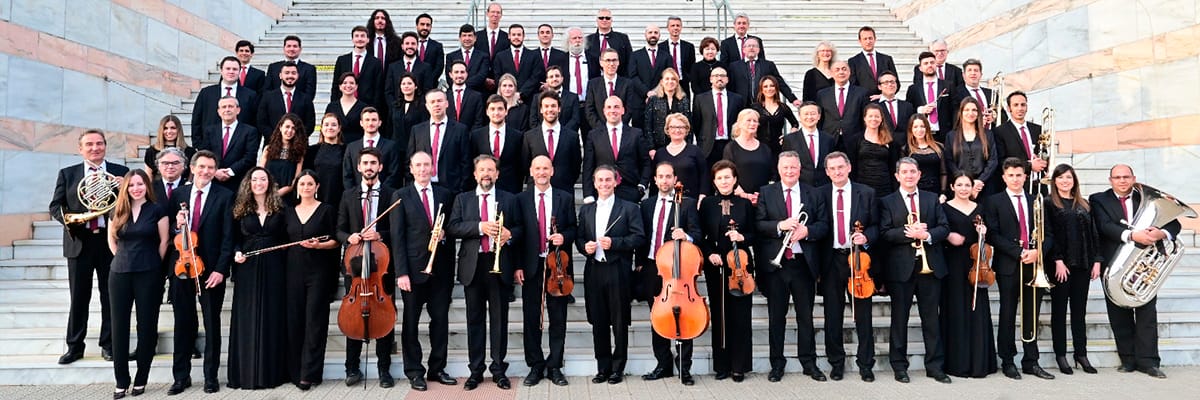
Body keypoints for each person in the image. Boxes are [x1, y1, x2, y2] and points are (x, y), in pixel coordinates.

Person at [1090, 164, 1179, 379]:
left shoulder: (1146, 198)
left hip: (1143, 264)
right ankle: (1128, 359)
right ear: (1110, 180)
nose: (1122, 180)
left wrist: (1161, 233)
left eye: (1126, 177)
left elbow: (1174, 224)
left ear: (1134, 178)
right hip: (1114, 262)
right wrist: (1131, 236)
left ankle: (1149, 362)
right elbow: (1104, 226)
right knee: (1118, 312)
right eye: (1117, 177)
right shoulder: (1098, 199)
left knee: (1147, 312)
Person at [49, 129, 130, 365]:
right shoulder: (68, 174)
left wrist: (124, 186)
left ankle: (109, 345)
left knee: (111, 296)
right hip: (79, 242)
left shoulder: (120, 172)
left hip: (110, 241)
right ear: (80, 148)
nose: (95, 148)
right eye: (89, 144)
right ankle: (75, 347)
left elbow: (132, 203)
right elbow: (56, 206)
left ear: (105, 146)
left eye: (99, 144)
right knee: (79, 297)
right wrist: (73, 219)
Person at [446, 155, 524, 391]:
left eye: (491, 170)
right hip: (474, 265)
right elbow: (452, 227)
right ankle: (476, 371)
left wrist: (510, 235)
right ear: (475, 174)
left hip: (499, 264)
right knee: (475, 320)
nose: (486, 174)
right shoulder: (463, 199)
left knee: (500, 321)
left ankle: (499, 370)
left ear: (497, 174)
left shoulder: (509, 199)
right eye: (482, 170)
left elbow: (521, 228)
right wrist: (480, 227)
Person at [754, 151, 830, 382]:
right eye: (785, 167)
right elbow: (758, 224)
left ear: (800, 169)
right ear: (779, 169)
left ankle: (809, 363)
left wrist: (807, 231)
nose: (789, 171)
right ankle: (777, 364)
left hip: (802, 265)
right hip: (776, 266)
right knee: (776, 317)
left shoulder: (813, 193)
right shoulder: (767, 192)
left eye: (793, 168)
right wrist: (780, 225)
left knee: (805, 317)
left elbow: (824, 225)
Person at [167, 150, 235, 395]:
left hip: (210, 270)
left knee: (211, 324)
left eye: (210, 167)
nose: (206, 171)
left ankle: (210, 377)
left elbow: (229, 237)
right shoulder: (178, 195)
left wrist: (220, 269)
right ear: (192, 168)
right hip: (182, 268)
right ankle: (181, 377)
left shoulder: (225, 196)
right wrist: (177, 224)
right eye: (202, 167)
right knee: (182, 323)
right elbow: (168, 233)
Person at [390, 152, 459, 391]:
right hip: (412, 270)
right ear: (410, 168)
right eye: (418, 165)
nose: (422, 169)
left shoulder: (445, 194)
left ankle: (437, 368)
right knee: (411, 323)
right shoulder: (400, 196)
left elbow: (452, 225)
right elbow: (397, 238)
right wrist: (401, 273)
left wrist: (445, 234)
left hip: (440, 270)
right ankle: (414, 371)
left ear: (433, 167)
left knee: (440, 321)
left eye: (426, 165)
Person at [879, 157, 951, 384]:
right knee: (899, 320)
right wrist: (909, 232)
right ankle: (899, 366)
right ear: (897, 176)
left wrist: (927, 236)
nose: (909, 176)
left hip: (930, 268)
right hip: (901, 269)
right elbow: (885, 233)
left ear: (919, 175)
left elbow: (944, 228)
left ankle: (935, 366)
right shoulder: (887, 202)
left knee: (931, 319)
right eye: (905, 172)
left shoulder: (932, 199)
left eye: (913, 172)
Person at [984, 157, 1055, 380]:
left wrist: (1037, 252)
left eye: (1019, 175)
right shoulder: (994, 201)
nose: (1015, 179)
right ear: (1004, 177)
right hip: (1008, 264)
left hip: (1035, 264)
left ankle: (1031, 361)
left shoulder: (1038, 200)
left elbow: (1049, 234)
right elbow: (993, 234)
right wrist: (1018, 252)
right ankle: (1007, 360)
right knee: (1007, 314)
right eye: (1011, 175)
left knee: (1031, 315)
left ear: (1026, 176)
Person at [577, 165, 646, 385]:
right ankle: (603, 367)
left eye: (609, 180)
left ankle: (618, 368)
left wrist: (615, 243)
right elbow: (579, 238)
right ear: (594, 183)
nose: (604, 184)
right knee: (598, 320)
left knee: (618, 321)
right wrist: (584, 247)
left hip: (618, 270)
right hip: (594, 270)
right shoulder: (586, 209)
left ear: (616, 181)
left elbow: (639, 238)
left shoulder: (629, 208)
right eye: (600, 180)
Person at [636, 163, 702, 385]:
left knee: (686, 316)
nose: (664, 180)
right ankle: (663, 364)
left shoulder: (687, 204)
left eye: (668, 176)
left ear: (675, 179)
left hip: (678, 270)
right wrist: (639, 263)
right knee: (658, 317)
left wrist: (686, 236)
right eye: (660, 177)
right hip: (652, 266)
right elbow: (641, 237)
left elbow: (698, 234)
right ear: (654, 180)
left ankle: (685, 367)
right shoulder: (646, 205)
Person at [337, 148, 396, 388]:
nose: (369, 167)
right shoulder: (348, 195)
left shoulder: (391, 194)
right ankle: (352, 368)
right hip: (355, 261)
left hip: (382, 265)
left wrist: (380, 233)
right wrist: (348, 237)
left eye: (373, 162)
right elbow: (338, 228)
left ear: (380, 167)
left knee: (384, 314)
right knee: (354, 313)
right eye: (365, 163)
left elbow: (399, 230)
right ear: (358, 167)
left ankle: (384, 370)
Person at [817, 152, 879, 382]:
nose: (837, 172)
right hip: (832, 260)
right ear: (826, 172)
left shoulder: (867, 193)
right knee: (833, 315)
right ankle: (836, 363)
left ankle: (866, 364)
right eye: (832, 169)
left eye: (841, 167)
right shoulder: (820, 193)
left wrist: (866, 238)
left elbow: (876, 225)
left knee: (863, 315)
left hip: (858, 261)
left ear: (849, 167)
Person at [106, 169, 168, 399]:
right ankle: (121, 380)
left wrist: (151, 264)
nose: (136, 188)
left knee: (146, 327)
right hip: (119, 273)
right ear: (126, 188)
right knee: (119, 327)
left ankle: (141, 378)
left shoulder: (157, 209)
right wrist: (122, 259)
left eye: (140, 184)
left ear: (146, 186)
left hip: (148, 273)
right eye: (131, 185)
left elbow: (164, 242)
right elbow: (112, 240)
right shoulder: (117, 209)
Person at [517, 155, 577, 387]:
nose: (542, 172)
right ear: (531, 172)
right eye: (537, 168)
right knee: (531, 318)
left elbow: (573, 227)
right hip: (531, 266)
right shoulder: (520, 199)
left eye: (546, 168)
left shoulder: (565, 197)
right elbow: (518, 233)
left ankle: (554, 366)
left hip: (557, 267)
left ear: (552, 171)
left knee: (558, 318)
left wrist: (565, 236)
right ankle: (535, 365)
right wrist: (518, 266)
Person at [226, 168, 288, 389]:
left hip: (275, 267)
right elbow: (232, 238)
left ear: (269, 183)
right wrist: (236, 253)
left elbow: (286, 237)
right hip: (247, 267)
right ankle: (246, 373)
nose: (259, 183)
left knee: (272, 316)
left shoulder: (280, 209)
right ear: (248, 183)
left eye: (263, 179)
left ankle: (272, 374)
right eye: (254, 179)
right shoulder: (240, 209)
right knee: (248, 316)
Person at [697, 160, 756, 382]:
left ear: (735, 179)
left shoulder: (745, 205)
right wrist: (709, 252)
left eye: (728, 177)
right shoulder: (707, 204)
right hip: (716, 266)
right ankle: (722, 365)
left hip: (740, 267)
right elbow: (701, 235)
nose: (724, 181)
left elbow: (754, 234)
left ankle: (739, 366)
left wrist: (742, 238)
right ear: (714, 181)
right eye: (720, 177)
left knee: (741, 317)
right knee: (720, 315)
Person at [282, 171, 341, 390]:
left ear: (317, 186)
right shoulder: (288, 212)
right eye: (302, 183)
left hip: (319, 272)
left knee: (315, 322)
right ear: (297, 187)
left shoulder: (327, 210)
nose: (306, 187)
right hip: (293, 272)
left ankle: (310, 373)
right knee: (295, 321)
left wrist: (319, 246)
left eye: (310, 184)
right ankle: (295, 371)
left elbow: (335, 241)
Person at [1045, 164, 1101, 375]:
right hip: (1060, 265)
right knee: (1059, 311)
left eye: (1068, 177)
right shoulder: (1049, 203)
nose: (1065, 181)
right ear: (1055, 181)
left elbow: (1094, 233)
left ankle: (1081, 353)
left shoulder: (1084, 204)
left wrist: (1097, 260)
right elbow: (1048, 233)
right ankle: (1060, 354)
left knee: (1079, 311)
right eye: (1060, 178)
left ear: (1074, 180)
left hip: (1083, 264)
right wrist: (1058, 260)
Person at [941, 172, 997, 377]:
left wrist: (984, 231)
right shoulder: (944, 208)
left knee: (977, 310)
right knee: (955, 309)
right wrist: (948, 235)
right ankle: (957, 363)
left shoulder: (980, 209)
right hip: (953, 265)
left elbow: (989, 235)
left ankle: (979, 362)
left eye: (967, 185)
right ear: (953, 187)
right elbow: (940, 230)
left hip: (976, 266)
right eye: (960, 185)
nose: (964, 188)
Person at [582, 96, 653, 203]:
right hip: (603, 191)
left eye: (616, 107)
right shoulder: (594, 135)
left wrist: (642, 186)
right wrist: (588, 194)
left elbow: (646, 162)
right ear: (604, 111)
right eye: (609, 107)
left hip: (630, 191)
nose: (612, 111)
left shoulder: (636, 134)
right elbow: (588, 166)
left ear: (622, 110)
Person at [409, 89, 472, 191]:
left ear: (446, 103)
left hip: (452, 189)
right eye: (432, 102)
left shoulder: (460, 130)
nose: (436, 105)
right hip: (424, 188)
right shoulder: (417, 130)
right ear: (427, 106)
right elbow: (410, 159)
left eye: (439, 101)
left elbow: (466, 162)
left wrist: (461, 189)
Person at [523, 90, 583, 192]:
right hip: (536, 191)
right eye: (546, 106)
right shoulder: (529, 136)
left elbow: (576, 166)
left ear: (559, 109)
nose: (550, 109)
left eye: (553, 106)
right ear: (541, 109)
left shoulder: (572, 137)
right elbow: (525, 165)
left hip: (564, 191)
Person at [191, 57, 257, 145]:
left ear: (239, 71)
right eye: (228, 68)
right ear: (221, 70)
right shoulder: (206, 93)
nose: (231, 71)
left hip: (239, 146)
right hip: (209, 145)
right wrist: (198, 144)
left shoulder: (250, 95)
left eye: (235, 69)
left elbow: (254, 122)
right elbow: (197, 119)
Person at [203, 96, 261, 191]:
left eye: (230, 106)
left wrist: (230, 171)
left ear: (238, 110)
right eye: (224, 107)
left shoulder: (250, 131)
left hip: (238, 182)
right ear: (218, 111)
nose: (227, 109)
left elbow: (250, 157)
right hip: (214, 181)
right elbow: (205, 154)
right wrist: (215, 171)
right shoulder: (210, 131)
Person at [470, 95, 525, 194]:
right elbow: (472, 163)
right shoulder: (476, 136)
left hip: (510, 191)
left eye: (500, 109)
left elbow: (520, 166)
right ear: (487, 112)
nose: (496, 113)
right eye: (492, 109)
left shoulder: (518, 136)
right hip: (483, 189)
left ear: (506, 111)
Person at [842, 104, 900, 198]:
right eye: (870, 116)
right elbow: (851, 166)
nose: (874, 119)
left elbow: (893, 166)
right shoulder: (855, 140)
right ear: (864, 118)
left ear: (881, 119)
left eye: (877, 116)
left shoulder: (890, 140)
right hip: (862, 187)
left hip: (885, 187)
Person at [945, 98, 998, 197]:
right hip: (960, 188)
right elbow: (949, 161)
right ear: (961, 112)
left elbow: (993, 160)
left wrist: (980, 181)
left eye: (974, 110)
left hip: (984, 187)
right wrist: (964, 181)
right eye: (967, 110)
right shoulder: (951, 136)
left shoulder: (988, 135)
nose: (971, 113)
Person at [584, 48, 646, 130]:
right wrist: (602, 129)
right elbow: (589, 110)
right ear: (601, 62)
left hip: (621, 131)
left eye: (614, 60)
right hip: (599, 132)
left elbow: (629, 109)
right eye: (608, 60)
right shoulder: (593, 84)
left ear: (618, 62)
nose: (611, 64)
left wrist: (617, 127)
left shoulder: (627, 84)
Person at [992, 91, 1048, 182]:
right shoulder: (999, 132)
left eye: (1023, 105)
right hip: (1015, 183)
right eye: (1016, 105)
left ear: (1027, 107)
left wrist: (1044, 162)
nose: (1020, 108)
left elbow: (1044, 153)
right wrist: (1029, 166)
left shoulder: (1037, 129)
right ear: (1009, 108)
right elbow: (1001, 162)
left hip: (1039, 183)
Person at [693, 66, 743, 167]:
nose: (719, 78)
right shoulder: (700, 99)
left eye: (722, 76)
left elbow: (740, 122)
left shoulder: (737, 98)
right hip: (708, 146)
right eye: (716, 76)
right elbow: (696, 123)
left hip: (730, 143)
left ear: (727, 80)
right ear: (711, 79)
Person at [342, 107, 401, 190]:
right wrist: (354, 194)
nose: (370, 123)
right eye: (367, 120)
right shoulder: (351, 147)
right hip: (357, 197)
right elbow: (347, 175)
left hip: (384, 196)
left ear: (379, 123)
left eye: (374, 120)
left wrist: (380, 191)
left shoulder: (391, 146)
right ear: (361, 123)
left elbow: (394, 173)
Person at [723, 109, 774, 201]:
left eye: (755, 121)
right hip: (739, 199)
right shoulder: (731, 148)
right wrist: (744, 195)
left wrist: (763, 195)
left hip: (762, 199)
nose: (752, 123)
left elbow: (772, 174)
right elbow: (727, 174)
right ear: (740, 123)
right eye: (748, 120)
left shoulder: (765, 148)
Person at [728, 38, 797, 105]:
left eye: (754, 46)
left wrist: (793, 99)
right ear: (743, 50)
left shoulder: (768, 65)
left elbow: (779, 82)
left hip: (763, 104)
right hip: (741, 105)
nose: (751, 48)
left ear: (758, 50)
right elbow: (730, 86)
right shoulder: (734, 66)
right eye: (749, 46)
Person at [781, 101, 835, 187]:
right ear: (799, 116)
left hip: (824, 187)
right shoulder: (789, 140)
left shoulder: (828, 139)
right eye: (806, 114)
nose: (809, 117)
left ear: (819, 116)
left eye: (813, 113)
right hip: (800, 187)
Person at [652, 113, 709, 196]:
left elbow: (704, 176)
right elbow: (654, 181)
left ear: (686, 130)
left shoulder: (695, 151)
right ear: (667, 129)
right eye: (673, 127)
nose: (677, 130)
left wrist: (702, 196)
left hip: (691, 201)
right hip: (666, 200)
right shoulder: (660, 154)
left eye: (681, 127)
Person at [258, 61, 316, 139]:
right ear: (280, 75)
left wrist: (295, 138)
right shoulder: (268, 97)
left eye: (293, 73)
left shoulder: (306, 98)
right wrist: (277, 138)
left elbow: (310, 124)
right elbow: (262, 122)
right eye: (287, 73)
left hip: (298, 145)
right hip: (272, 144)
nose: (290, 76)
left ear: (298, 76)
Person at [906, 51, 954, 142]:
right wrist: (920, 110)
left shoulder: (948, 86)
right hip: (921, 135)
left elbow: (955, 109)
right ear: (920, 68)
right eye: (926, 63)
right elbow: (908, 110)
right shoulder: (913, 89)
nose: (929, 65)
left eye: (932, 62)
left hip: (945, 134)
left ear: (936, 64)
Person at [492, 24, 545, 103]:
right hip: (507, 99)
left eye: (519, 35)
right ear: (509, 36)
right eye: (513, 35)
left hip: (528, 99)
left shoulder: (534, 56)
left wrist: (521, 94)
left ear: (523, 36)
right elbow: (498, 77)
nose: (516, 37)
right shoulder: (500, 56)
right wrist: (510, 93)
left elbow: (535, 77)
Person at [332, 26, 383, 107]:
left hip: (367, 107)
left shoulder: (375, 62)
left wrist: (374, 108)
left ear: (368, 40)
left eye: (362, 36)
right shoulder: (342, 60)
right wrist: (334, 106)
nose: (359, 39)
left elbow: (378, 89)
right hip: (344, 106)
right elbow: (335, 85)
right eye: (357, 36)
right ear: (352, 39)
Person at [258, 114, 306, 201]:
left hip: (287, 197)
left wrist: (277, 194)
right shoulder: (268, 149)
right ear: (280, 127)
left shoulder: (299, 152)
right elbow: (260, 173)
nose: (290, 130)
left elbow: (296, 179)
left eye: (293, 128)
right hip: (265, 195)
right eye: (287, 127)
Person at [304, 114, 347, 207]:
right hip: (316, 199)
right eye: (326, 125)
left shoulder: (347, 150)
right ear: (321, 128)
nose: (330, 128)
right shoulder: (311, 151)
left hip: (339, 199)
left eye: (333, 125)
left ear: (339, 128)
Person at [643, 68, 691, 150]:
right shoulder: (653, 100)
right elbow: (648, 125)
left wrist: (688, 146)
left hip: (680, 145)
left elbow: (688, 125)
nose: (670, 81)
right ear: (661, 82)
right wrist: (651, 148)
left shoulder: (684, 100)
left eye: (673, 79)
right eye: (667, 79)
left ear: (677, 82)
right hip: (658, 145)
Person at [751, 75, 799, 156]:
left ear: (776, 88)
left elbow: (795, 124)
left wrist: (788, 137)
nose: (769, 89)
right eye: (765, 86)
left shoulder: (783, 107)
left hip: (779, 147)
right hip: (759, 147)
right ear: (761, 90)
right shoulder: (755, 107)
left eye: (772, 86)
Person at [817, 61, 868, 135]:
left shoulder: (861, 93)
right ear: (831, 73)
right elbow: (820, 118)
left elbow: (865, 117)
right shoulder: (822, 94)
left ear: (849, 72)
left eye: (844, 69)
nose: (841, 72)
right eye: (837, 70)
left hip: (854, 138)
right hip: (830, 137)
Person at [902, 114, 946, 196]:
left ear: (927, 128)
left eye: (922, 126)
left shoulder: (939, 147)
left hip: (936, 192)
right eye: (915, 127)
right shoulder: (906, 149)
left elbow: (943, 172)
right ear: (910, 129)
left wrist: (943, 193)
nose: (919, 130)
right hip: (915, 192)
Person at [847, 26, 897, 96]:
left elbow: (896, 82)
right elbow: (853, 85)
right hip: (864, 102)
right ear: (860, 41)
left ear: (875, 39)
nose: (868, 41)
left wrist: (882, 96)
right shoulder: (853, 61)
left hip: (884, 100)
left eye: (870, 38)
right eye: (865, 39)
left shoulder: (887, 59)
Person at [529, 66, 582, 130]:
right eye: (551, 77)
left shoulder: (573, 98)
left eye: (557, 76)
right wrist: (544, 133)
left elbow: (575, 120)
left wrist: (562, 133)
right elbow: (533, 120)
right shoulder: (537, 98)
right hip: (542, 137)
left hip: (567, 137)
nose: (554, 79)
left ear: (562, 78)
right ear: (547, 80)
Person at [143, 115, 196, 180]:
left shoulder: (190, 152)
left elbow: (191, 178)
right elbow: (149, 178)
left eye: (173, 128)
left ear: (178, 130)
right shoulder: (151, 151)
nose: (169, 131)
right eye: (165, 128)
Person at [446, 24, 492, 93]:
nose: (467, 38)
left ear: (475, 38)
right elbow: (449, 77)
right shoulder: (451, 56)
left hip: (477, 94)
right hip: (456, 94)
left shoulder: (483, 56)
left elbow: (482, 76)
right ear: (460, 38)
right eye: (464, 35)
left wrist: (462, 85)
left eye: (470, 35)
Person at [587, 8, 633, 76]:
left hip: (619, 80)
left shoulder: (622, 38)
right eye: (601, 18)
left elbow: (630, 61)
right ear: (597, 20)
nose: (604, 20)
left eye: (607, 18)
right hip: (595, 81)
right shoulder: (588, 40)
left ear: (611, 20)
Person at [389, 73, 430, 148]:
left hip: (415, 146)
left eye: (409, 83)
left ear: (415, 86)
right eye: (403, 84)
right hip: (396, 147)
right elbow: (389, 127)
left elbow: (424, 128)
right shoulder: (395, 106)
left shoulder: (422, 106)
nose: (406, 86)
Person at [326, 72, 368, 144]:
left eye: (351, 83)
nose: (348, 85)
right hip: (336, 145)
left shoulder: (363, 107)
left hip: (356, 146)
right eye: (344, 83)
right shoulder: (331, 106)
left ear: (356, 86)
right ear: (340, 86)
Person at [658, 16, 696, 94]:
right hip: (666, 84)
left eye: (678, 25)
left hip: (683, 83)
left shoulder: (689, 47)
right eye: (673, 25)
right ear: (668, 28)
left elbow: (692, 66)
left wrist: (687, 78)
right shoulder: (660, 47)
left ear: (681, 27)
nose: (675, 28)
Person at [628, 25, 669, 94]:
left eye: (656, 33)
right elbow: (633, 77)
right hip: (639, 97)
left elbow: (668, 76)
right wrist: (647, 92)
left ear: (659, 35)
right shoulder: (635, 55)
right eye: (650, 32)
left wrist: (656, 92)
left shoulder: (667, 56)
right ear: (645, 35)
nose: (653, 35)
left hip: (660, 96)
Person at [447, 60, 487, 130]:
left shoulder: (476, 96)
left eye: (462, 72)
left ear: (466, 74)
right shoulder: (444, 96)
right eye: (456, 72)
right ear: (450, 75)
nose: (459, 75)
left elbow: (478, 121)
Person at [414, 13, 445, 84]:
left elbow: (439, 67)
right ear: (417, 26)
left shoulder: (437, 46)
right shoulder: (409, 45)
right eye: (422, 24)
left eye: (428, 25)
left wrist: (429, 80)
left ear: (431, 27)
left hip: (431, 85)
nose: (425, 27)